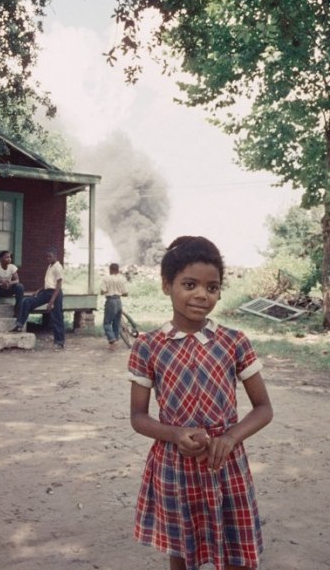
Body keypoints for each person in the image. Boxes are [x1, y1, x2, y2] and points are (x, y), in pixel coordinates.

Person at [128, 236, 273, 570]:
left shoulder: (234, 341)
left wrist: (231, 437)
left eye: (212, 287)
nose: (201, 295)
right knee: (182, 552)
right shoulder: (148, 346)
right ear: (167, 285)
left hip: (226, 462)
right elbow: (138, 417)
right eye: (189, 284)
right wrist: (175, 434)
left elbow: (264, 408)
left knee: (238, 553)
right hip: (174, 464)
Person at [10, 247, 65, 348]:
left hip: (55, 293)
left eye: (50, 257)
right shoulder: (50, 266)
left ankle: (59, 342)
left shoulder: (58, 267)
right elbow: (48, 282)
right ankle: (19, 325)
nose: (48, 258)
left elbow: (58, 285)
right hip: (46, 291)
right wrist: (39, 290)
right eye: (47, 257)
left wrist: (51, 301)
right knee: (27, 301)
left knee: (57, 317)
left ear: (55, 256)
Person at [0, 250, 24, 318]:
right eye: (7, 257)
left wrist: (9, 283)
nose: (9, 259)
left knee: (20, 286)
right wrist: (2, 281)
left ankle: (18, 310)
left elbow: (17, 280)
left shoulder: (12, 267)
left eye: (10, 257)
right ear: (1, 259)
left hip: (8, 289)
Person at [100, 262, 128, 349]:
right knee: (116, 322)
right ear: (118, 270)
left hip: (110, 301)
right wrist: (118, 292)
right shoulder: (122, 279)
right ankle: (115, 341)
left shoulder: (106, 278)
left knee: (107, 322)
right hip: (119, 301)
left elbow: (102, 291)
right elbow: (126, 293)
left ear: (110, 270)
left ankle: (112, 340)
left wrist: (107, 291)